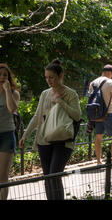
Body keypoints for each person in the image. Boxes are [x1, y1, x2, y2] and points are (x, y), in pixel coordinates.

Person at [20, 60, 81, 200]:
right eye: (46, 77)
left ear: (60, 75)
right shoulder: (44, 94)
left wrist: (60, 102)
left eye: (51, 77)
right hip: (45, 140)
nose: (48, 80)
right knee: (48, 177)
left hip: (63, 140)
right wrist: (25, 135)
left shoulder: (71, 94)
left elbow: (77, 116)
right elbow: (37, 117)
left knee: (54, 175)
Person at [89, 65, 112, 164]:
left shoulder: (93, 83)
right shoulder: (111, 82)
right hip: (108, 113)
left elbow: (90, 99)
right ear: (111, 73)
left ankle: (98, 161)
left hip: (96, 114)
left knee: (98, 137)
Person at [0, 64, 20, 200]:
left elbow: (12, 109)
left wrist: (7, 90)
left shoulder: (14, 93)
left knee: (2, 177)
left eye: (5, 75)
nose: (2, 77)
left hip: (7, 135)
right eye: (0, 74)